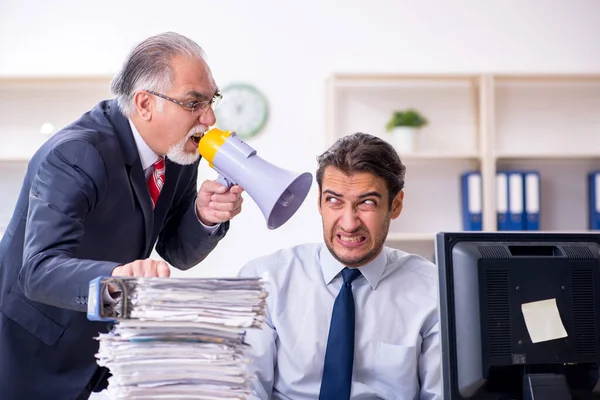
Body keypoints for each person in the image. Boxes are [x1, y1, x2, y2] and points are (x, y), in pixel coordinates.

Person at [0, 32, 244, 399]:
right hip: (26, 353)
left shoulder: (178, 154)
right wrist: (118, 277)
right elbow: (38, 271)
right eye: (194, 102)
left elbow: (176, 251)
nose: (208, 118)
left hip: (97, 349)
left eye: (211, 101)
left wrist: (204, 216)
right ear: (145, 103)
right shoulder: (75, 155)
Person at [238, 132, 441, 399]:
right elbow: (244, 391)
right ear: (320, 201)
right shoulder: (265, 280)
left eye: (367, 203)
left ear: (396, 205)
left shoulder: (434, 290)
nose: (348, 223)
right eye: (334, 201)